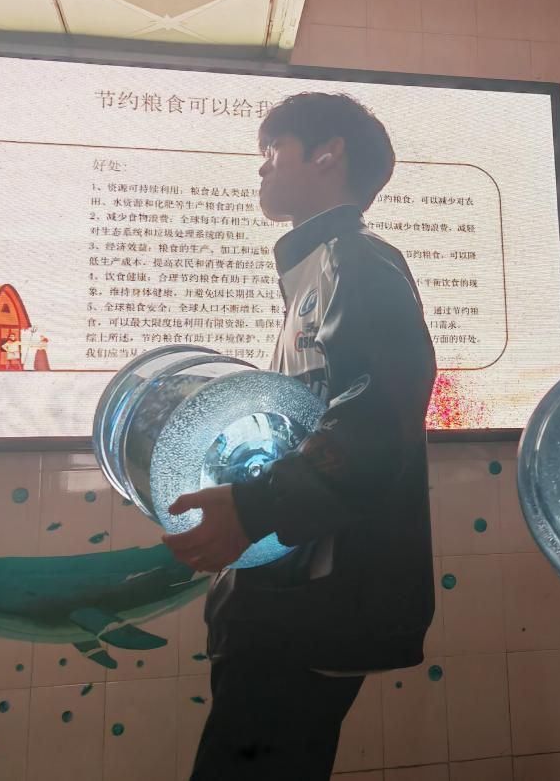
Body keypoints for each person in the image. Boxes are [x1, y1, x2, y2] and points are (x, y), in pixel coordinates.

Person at [163, 93, 437, 780]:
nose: (262, 169)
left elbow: (378, 421)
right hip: (290, 595)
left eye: (273, 152)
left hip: (316, 600)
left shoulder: (356, 263)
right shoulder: (318, 268)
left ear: (328, 154)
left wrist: (253, 507)